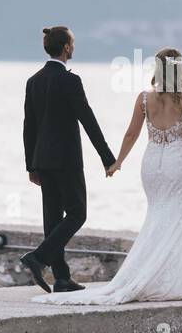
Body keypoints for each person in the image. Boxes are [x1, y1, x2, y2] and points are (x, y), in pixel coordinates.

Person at [34, 47, 182, 306]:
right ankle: (167, 276)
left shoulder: (144, 98)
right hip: (178, 164)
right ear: (180, 68)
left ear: (158, 68)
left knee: (157, 215)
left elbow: (131, 134)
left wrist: (117, 162)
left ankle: (164, 272)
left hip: (152, 164)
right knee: (175, 218)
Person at [19, 26, 117, 293]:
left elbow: (29, 126)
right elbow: (88, 119)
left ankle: (62, 278)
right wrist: (107, 157)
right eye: (72, 43)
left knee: (52, 219)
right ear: (66, 47)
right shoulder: (70, 81)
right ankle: (38, 258)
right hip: (67, 159)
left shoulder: (34, 80)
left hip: (42, 160)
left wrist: (31, 165)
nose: (73, 47)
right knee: (77, 213)